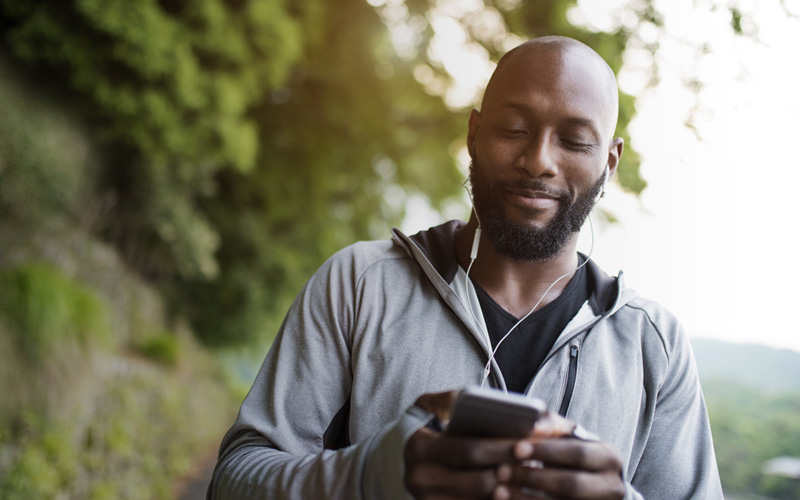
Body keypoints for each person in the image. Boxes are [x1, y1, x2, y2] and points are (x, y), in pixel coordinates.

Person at [207, 36, 723, 500]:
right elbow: (234, 479)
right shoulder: (360, 285)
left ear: (609, 162)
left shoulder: (654, 344)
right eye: (514, 128)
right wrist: (371, 476)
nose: (539, 159)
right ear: (475, 133)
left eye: (574, 141)